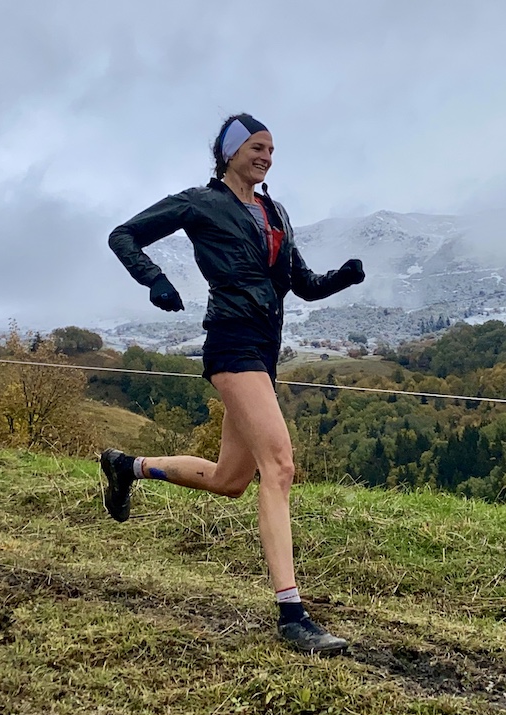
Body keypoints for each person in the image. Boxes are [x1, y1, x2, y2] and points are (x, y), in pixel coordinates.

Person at [101, 113, 365, 654]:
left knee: (230, 480)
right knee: (281, 466)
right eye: (256, 146)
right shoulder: (200, 202)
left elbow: (304, 285)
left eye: (271, 148)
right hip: (231, 343)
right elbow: (122, 234)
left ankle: (126, 467)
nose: (266, 156)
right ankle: (292, 615)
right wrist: (154, 279)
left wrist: (341, 278)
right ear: (229, 151)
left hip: (263, 351)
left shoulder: (274, 211)